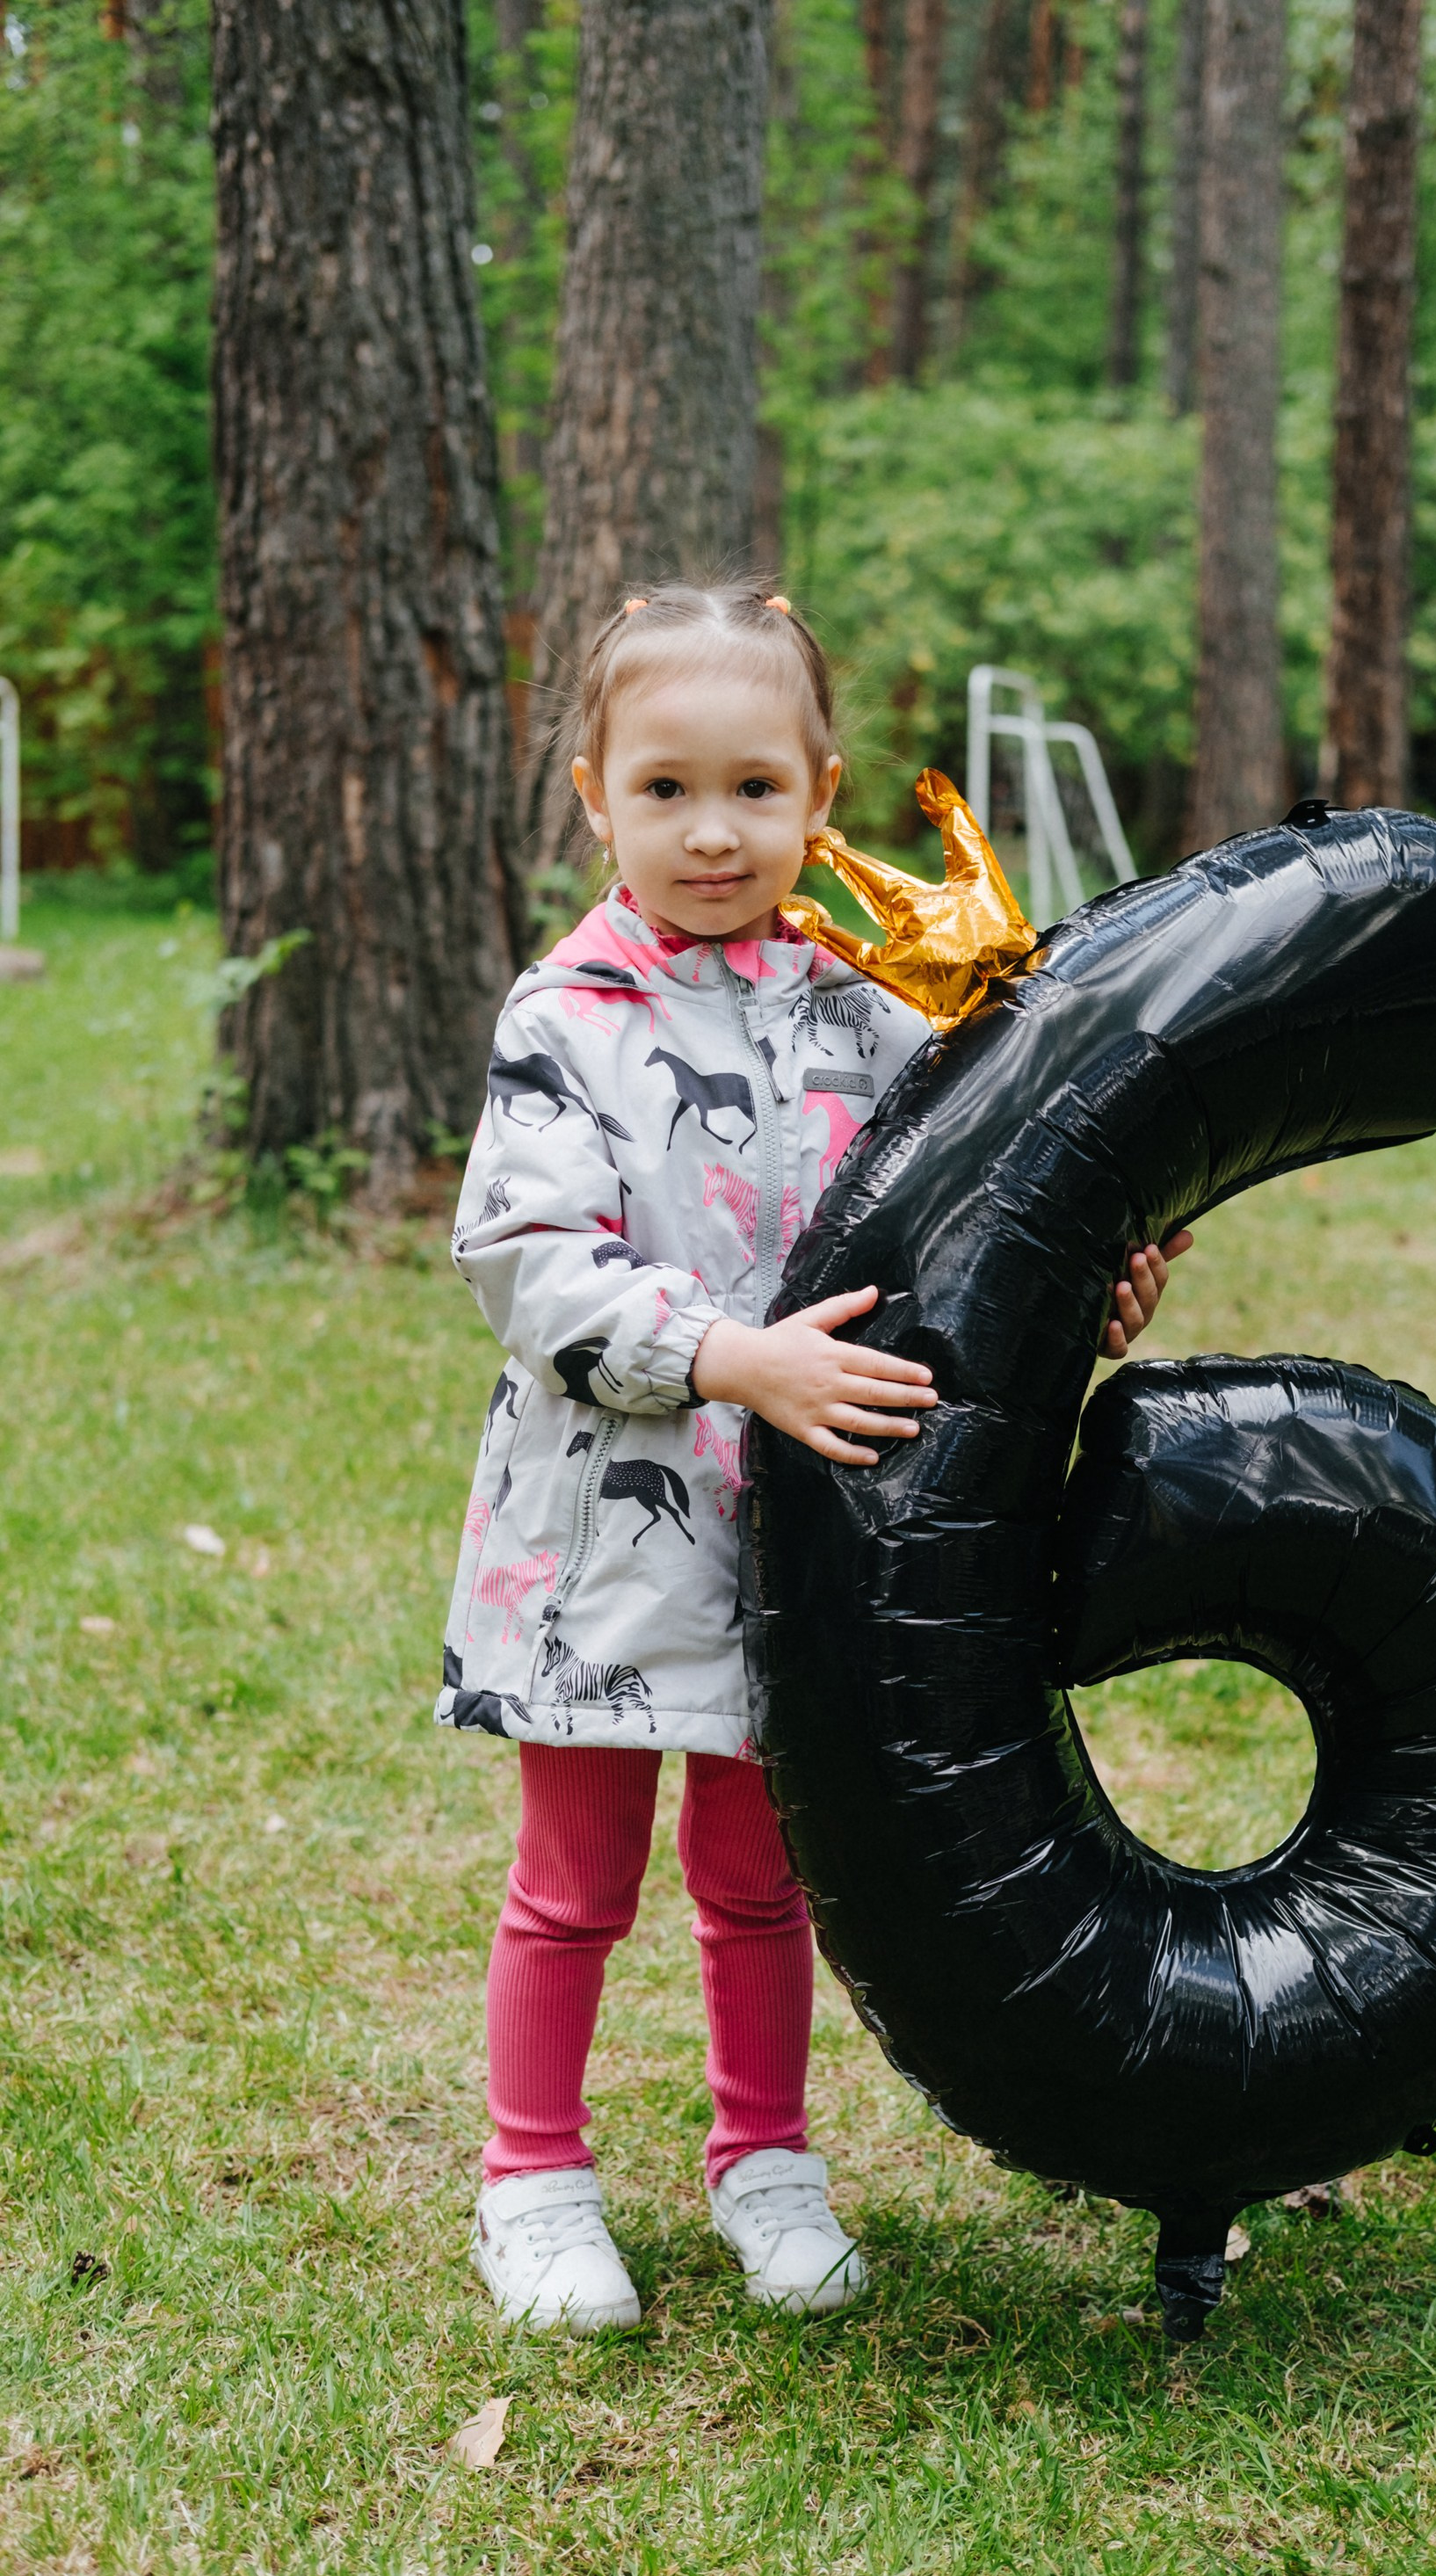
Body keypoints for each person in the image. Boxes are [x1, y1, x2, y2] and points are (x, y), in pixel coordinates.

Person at [438, 583, 1189, 2334]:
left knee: (763, 1876)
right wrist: (730, 1355)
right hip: (610, 1543)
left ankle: (763, 2159)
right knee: (574, 1884)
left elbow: (982, 1219)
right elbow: (527, 1259)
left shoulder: (880, 1013)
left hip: (808, 1538)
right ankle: (531, 2178)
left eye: (755, 789)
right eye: (668, 789)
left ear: (820, 796)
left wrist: (1094, 1281)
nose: (714, 832)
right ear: (595, 796)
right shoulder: (565, 1014)